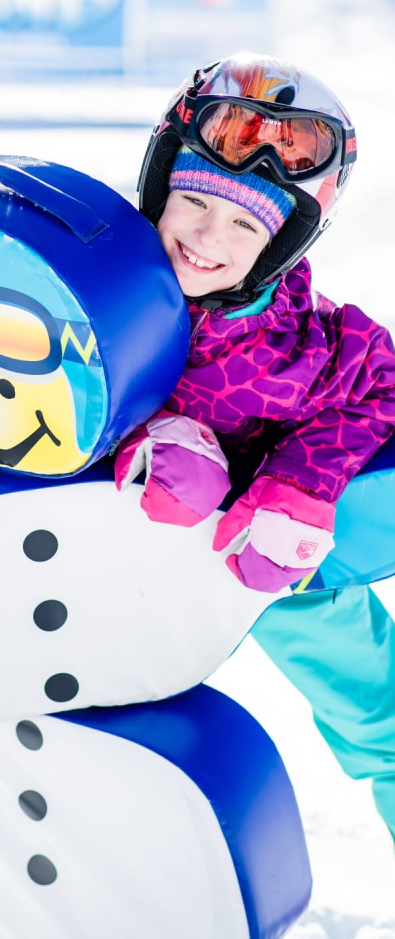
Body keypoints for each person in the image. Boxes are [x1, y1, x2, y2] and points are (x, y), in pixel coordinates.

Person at [115, 51, 395, 838]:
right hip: (109, 571)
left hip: (275, 569)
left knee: (382, 719)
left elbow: (379, 386)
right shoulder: (95, 292)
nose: (209, 238)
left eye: (247, 224)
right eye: (195, 201)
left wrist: (295, 488)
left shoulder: (303, 342)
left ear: (283, 244)